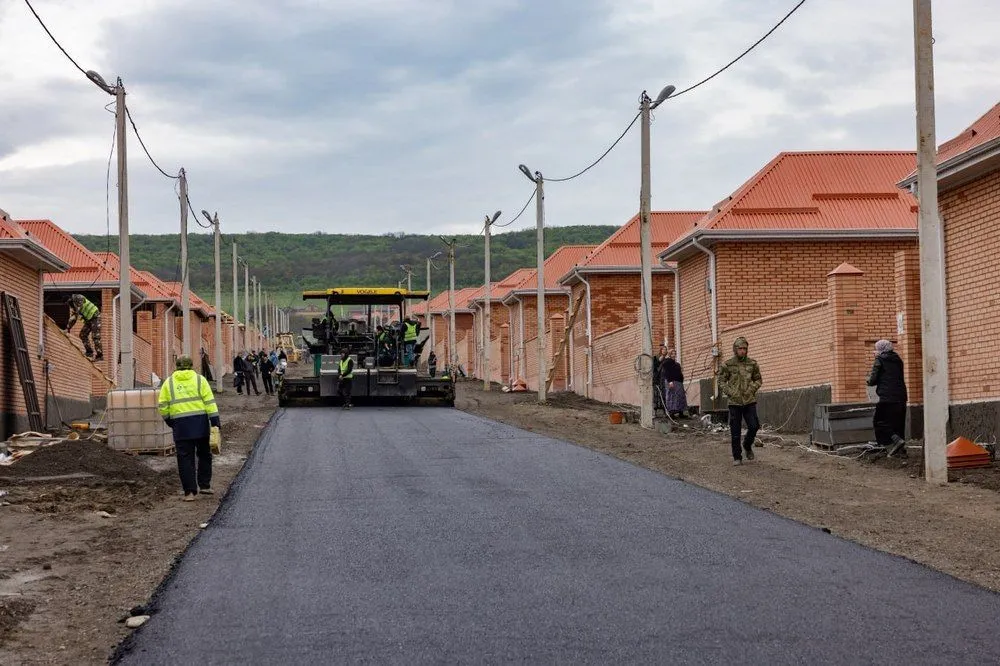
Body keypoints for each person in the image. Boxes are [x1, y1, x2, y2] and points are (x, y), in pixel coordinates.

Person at [158, 355, 220, 501]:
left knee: (184, 458)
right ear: (191, 366)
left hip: (181, 426)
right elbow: (210, 402)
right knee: (204, 454)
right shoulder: (200, 380)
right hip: (200, 425)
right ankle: (204, 485)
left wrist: (170, 421)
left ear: (177, 366)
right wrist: (215, 421)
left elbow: (162, 406)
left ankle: (189, 492)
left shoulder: (168, 383)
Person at [718, 337, 762, 466]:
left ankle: (747, 445)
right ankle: (737, 457)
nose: (743, 351)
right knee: (735, 431)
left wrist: (751, 390)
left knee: (754, 426)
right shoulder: (728, 365)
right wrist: (730, 392)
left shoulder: (752, 364)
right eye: (740, 348)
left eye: (745, 349)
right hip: (734, 402)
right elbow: (721, 381)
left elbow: (758, 380)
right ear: (735, 349)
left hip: (749, 400)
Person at [867, 339, 908, 457]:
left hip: (887, 396)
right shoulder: (898, 359)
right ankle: (901, 451)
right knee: (898, 423)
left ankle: (893, 441)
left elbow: (873, 379)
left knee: (879, 421)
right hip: (901, 396)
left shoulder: (880, 360)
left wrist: (868, 381)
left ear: (880, 349)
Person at [65, 293, 103, 360]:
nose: (69, 305)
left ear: (70, 299)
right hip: (89, 320)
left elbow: (80, 306)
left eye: (68, 302)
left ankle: (100, 355)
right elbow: (73, 319)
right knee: (82, 335)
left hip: (95, 317)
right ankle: (89, 352)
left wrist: (76, 312)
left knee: (95, 337)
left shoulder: (78, 297)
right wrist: (68, 328)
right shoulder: (74, 307)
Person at [660, 348, 687, 419]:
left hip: (678, 382)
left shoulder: (677, 364)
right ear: (669, 354)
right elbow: (667, 373)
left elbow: (679, 373)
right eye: (672, 354)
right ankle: (671, 413)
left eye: (675, 354)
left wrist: (681, 381)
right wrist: (670, 381)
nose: (674, 355)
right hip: (671, 382)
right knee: (672, 397)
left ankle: (681, 412)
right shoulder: (667, 362)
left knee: (680, 397)